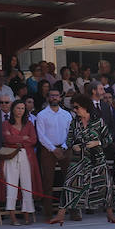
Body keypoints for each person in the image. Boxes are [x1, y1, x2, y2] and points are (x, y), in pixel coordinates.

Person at [50, 94, 115, 225]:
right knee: (69, 184)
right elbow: (69, 139)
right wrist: (73, 145)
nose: (75, 110)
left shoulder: (98, 121)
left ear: (85, 107)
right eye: (73, 108)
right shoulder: (74, 123)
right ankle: (60, 215)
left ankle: (110, 215)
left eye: (77, 107)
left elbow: (108, 139)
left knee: (104, 185)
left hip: (96, 158)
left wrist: (97, 143)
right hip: (78, 159)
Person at [35, 89, 73, 221]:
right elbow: (41, 135)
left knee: (70, 180)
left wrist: (63, 147)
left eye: (57, 96)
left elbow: (71, 133)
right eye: (52, 96)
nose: (54, 98)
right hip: (48, 150)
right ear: (48, 98)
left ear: (60, 98)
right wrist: (53, 149)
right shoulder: (41, 115)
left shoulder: (67, 115)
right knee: (48, 182)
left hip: (65, 148)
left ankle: (73, 211)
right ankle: (48, 213)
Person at [0, 99, 39, 225]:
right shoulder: (6, 124)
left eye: (22, 108)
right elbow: (8, 139)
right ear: (13, 110)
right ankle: (13, 217)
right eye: (18, 108)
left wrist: (18, 140)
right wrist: (23, 138)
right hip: (11, 157)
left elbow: (33, 140)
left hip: (26, 156)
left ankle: (27, 215)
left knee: (27, 185)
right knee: (12, 185)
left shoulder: (29, 124)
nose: (20, 111)